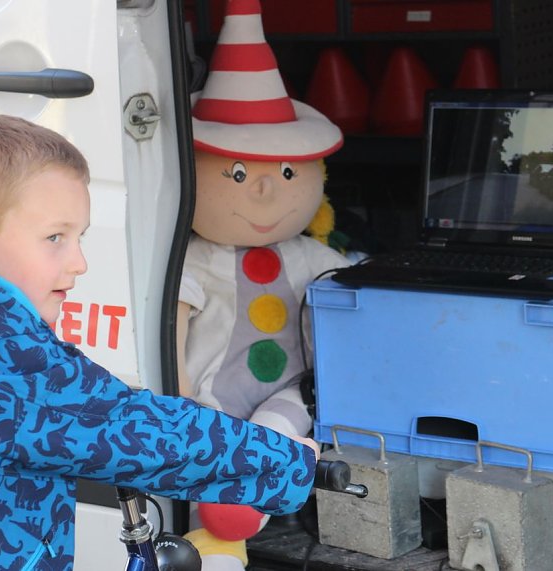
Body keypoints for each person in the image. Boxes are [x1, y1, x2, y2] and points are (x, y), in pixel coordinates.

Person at [0, 114, 319, 570]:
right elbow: (130, 424)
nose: (79, 262)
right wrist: (287, 458)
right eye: (55, 238)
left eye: (80, 237)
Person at [175, 2, 350, 569]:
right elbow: (171, 335)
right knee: (219, 452)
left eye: (288, 173)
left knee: (289, 414)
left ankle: (255, 484)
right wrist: (172, 407)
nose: (267, 194)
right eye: (241, 174)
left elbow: (353, 298)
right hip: (213, 409)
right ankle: (227, 518)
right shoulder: (196, 263)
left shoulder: (310, 256)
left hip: (289, 397)